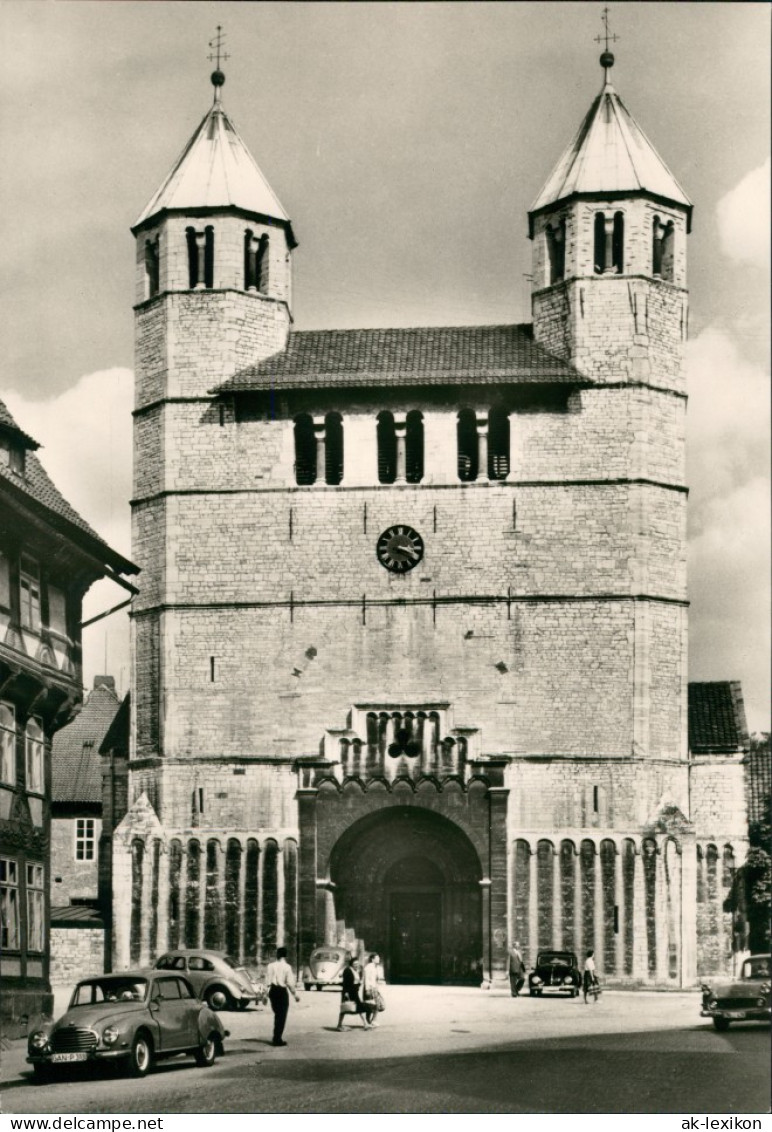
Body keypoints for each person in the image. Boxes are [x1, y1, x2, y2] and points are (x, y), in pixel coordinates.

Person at [265, 946, 300, 1045]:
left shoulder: (270, 966)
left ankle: (276, 1036)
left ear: (277, 954)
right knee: (282, 1015)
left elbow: (267, 981)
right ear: (285, 955)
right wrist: (295, 995)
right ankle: (277, 1038)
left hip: (273, 991)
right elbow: (290, 983)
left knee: (277, 1014)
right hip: (281, 991)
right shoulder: (287, 967)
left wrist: (265, 994)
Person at [336, 954, 371, 1031]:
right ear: (351, 964)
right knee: (344, 1009)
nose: (356, 965)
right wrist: (346, 993)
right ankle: (339, 1025)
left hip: (354, 992)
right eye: (355, 964)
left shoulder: (356, 971)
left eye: (357, 964)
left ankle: (365, 1024)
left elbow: (356, 981)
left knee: (359, 1007)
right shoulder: (347, 970)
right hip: (348, 992)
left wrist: (359, 983)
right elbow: (345, 983)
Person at [361, 952, 381, 1026]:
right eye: (377, 958)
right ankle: (371, 1020)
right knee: (373, 1005)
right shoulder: (368, 967)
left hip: (374, 988)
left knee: (373, 1005)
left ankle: (371, 1020)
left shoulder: (375, 967)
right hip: (369, 988)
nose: (379, 959)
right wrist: (367, 989)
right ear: (373, 959)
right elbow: (366, 979)